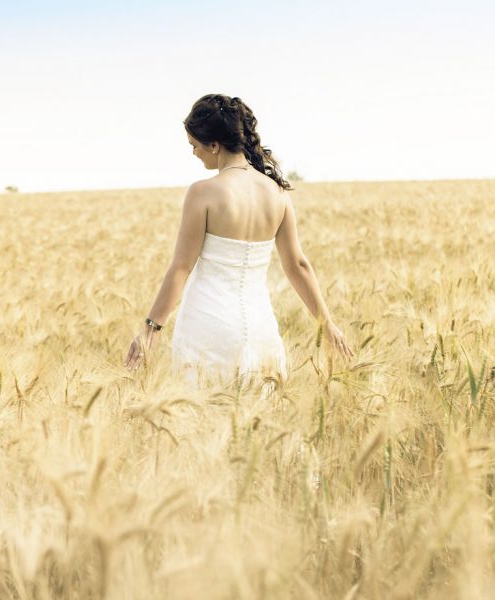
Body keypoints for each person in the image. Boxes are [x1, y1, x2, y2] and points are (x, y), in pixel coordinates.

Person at [124, 93, 354, 389]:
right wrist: (327, 323)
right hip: (260, 329)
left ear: (215, 145)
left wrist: (150, 329)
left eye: (195, 145)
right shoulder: (277, 193)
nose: (194, 153)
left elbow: (181, 267)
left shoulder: (203, 192)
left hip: (207, 326)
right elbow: (297, 264)